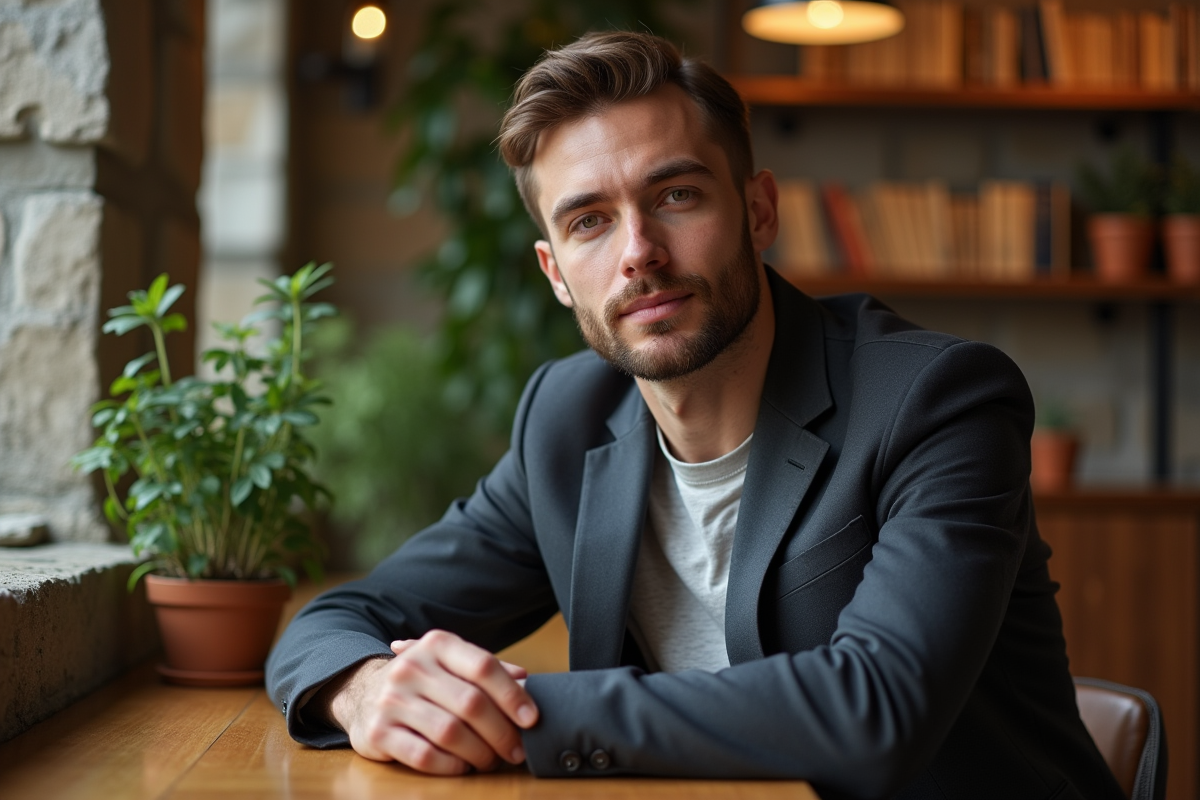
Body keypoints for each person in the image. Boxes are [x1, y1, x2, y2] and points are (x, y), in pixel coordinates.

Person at [267, 31, 1124, 799]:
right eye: (590, 221)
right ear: (556, 272)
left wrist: (516, 708)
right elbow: (341, 618)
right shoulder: (565, 422)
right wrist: (363, 687)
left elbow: (877, 711)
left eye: (675, 196)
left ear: (757, 211)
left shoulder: (939, 401)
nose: (638, 251)